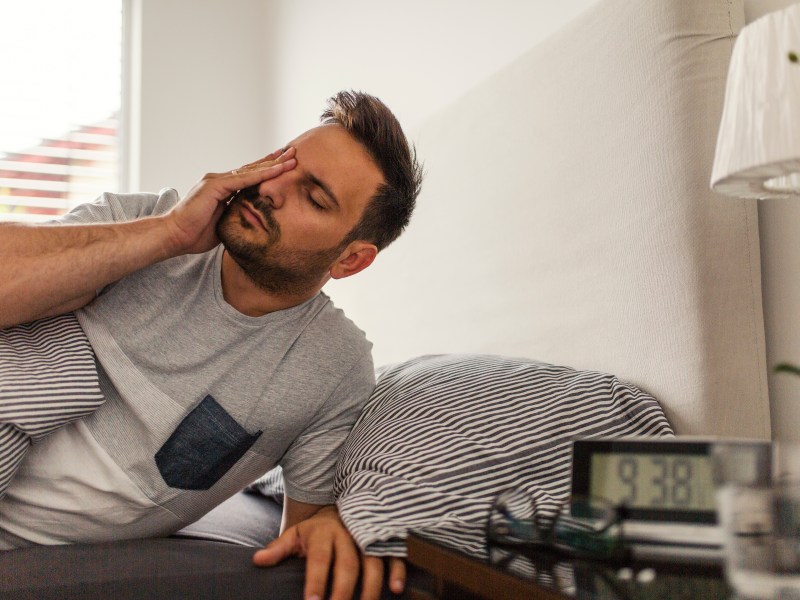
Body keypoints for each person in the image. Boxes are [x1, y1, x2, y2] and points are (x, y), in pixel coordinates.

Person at [0, 90, 423, 600]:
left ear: (351, 259)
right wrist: (170, 233)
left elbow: (299, 536)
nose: (271, 188)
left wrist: (333, 520)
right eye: (280, 162)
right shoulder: (142, 221)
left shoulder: (333, 365)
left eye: (314, 197)